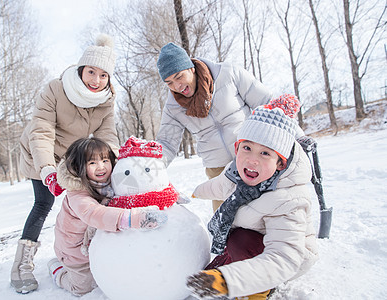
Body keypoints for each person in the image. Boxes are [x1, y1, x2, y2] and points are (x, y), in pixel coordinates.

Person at [10, 34, 120, 294]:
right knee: (43, 203)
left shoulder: (106, 99)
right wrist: (47, 168)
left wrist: (117, 165)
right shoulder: (56, 89)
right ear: (81, 69)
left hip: (73, 158)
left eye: (103, 75)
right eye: (91, 72)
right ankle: (21, 265)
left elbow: (108, 136)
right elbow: (41, 131)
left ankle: (77, 248)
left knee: (96, 197)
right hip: (40, 154)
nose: (96, 80)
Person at [186, 102, 319, 299]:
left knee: (240, 241)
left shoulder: (289, 199)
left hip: (289, 256)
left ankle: (259, 290)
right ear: (237, 148)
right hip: (255, 242)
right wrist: (195, 193)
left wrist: (228, 280)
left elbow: (284, 257)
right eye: (247, 147)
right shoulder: (236, 174)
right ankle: (242, 268)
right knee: (228, 247)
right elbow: (219, 186)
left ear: (280, 163)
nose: (252, 159)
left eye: (265, 153)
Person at [155, 42, 272, 212]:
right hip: (217, 170)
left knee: (265, 212)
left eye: (179, 76)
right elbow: (166, 142)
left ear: (191, 67)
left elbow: (266, 103)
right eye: (169, 83)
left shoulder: (228, 73)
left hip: (251, 157)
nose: (177, 87)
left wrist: (295, 136)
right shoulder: (173, 106)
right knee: (227, 227)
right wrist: (150, 168)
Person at [47, 137, 167, 296]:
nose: (101, 167)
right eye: (92, 163)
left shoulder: (111, 180)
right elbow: (95, 214)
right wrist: (135, 218)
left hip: (95, 242)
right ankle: (58, 271)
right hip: (75, 251)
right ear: (78, 167)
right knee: (84, 287)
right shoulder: (77, 194)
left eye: (105, 160)